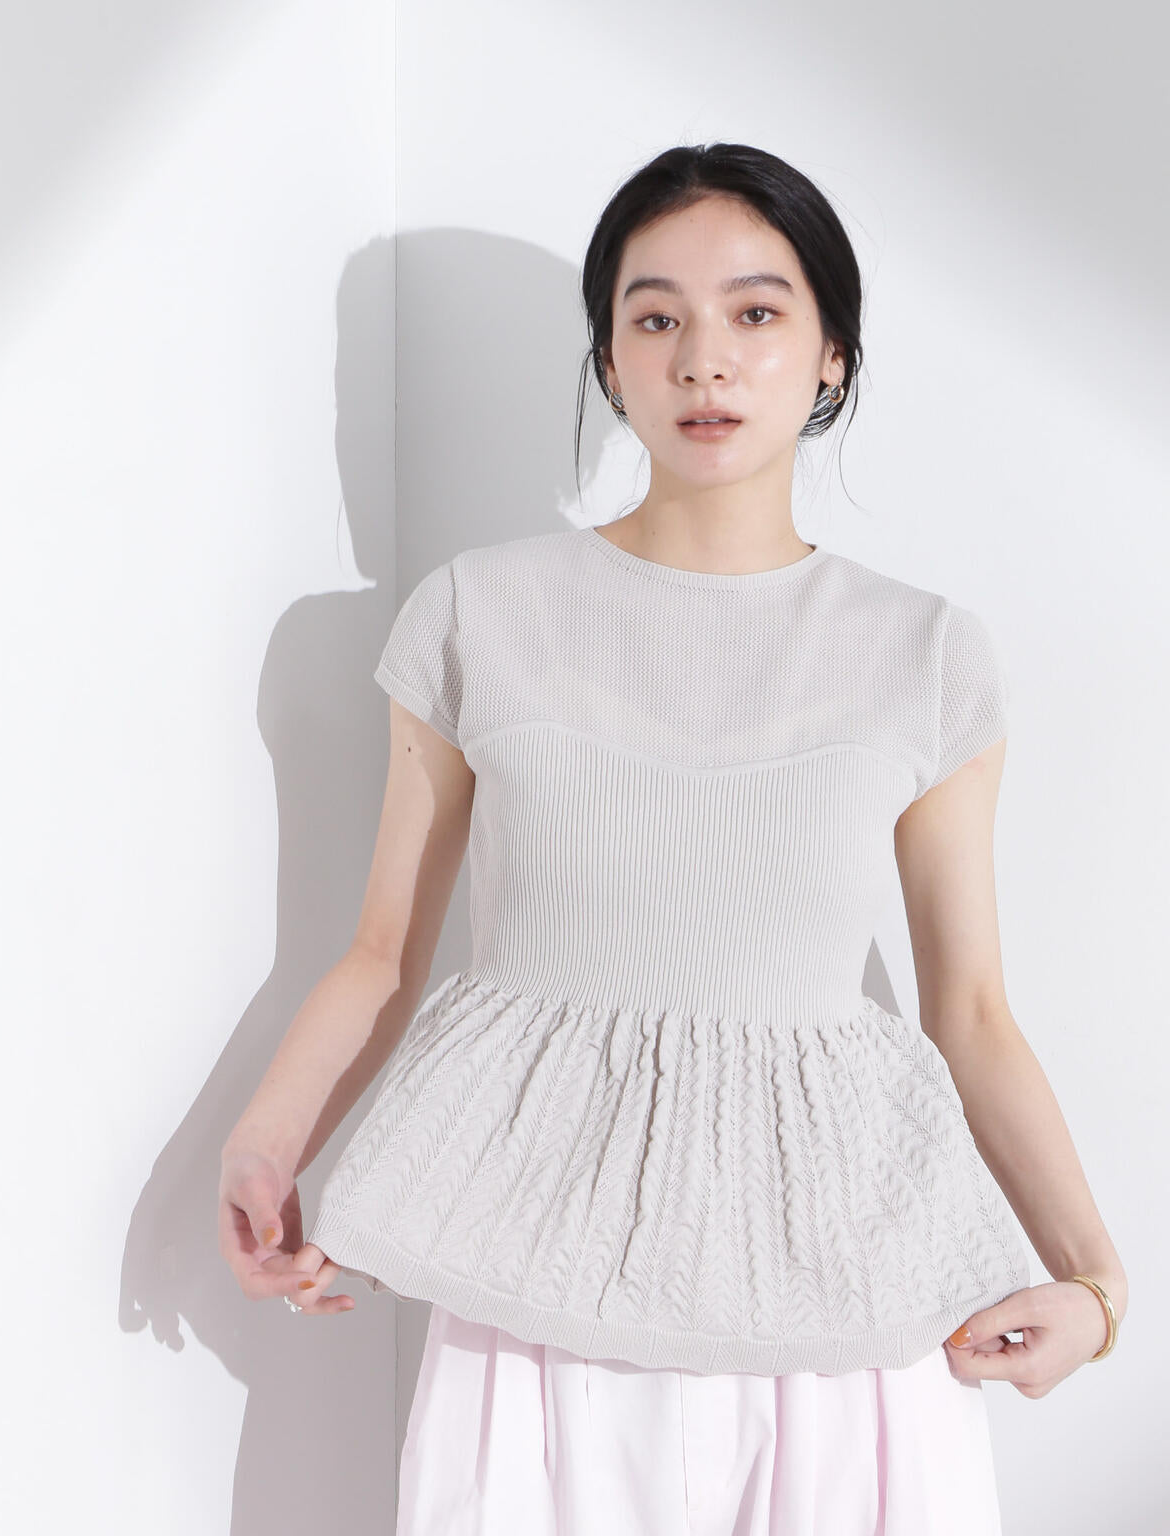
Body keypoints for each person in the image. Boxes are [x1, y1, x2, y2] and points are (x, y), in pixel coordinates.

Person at [219, 143, 1128, 1534]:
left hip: (846, 1312)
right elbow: (384, 954)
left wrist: (1098, 1287)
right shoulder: (480, 615)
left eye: (757, 312)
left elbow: (973, 1012)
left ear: (832, 355)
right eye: (657, 318)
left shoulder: (923, 653)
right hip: (537, 1301)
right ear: (610, 360)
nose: (705, 358)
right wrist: (268, 1146)